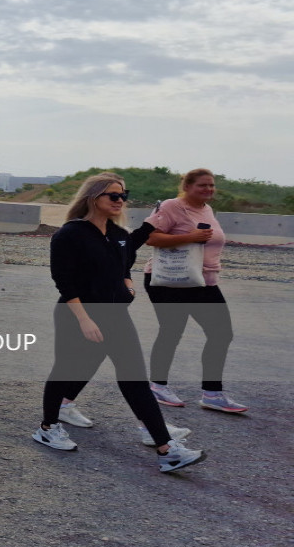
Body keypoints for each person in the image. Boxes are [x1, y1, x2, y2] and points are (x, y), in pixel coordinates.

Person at [35, 172, 205, 473]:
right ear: (93, 197)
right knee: (65, 370)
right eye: (113, 195)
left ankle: (167, 449)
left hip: (115, 315)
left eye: (123, 195)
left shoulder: (117, 235)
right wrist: (85, 320)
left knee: (135, 379)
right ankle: (48, 428)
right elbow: (64, 281)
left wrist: (127, 284)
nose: (120, 201)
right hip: (77, 314)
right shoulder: (70, 233)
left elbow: (126, 261)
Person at [143, 168, 247, 413]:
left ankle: (212, 394)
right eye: (203, 185)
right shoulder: (171, 206)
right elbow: (150, 238)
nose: (209, 189)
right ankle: (157, 386)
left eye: (211, 185)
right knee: (171, 332)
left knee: (221, 334)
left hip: (204, 282)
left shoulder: (207, 209)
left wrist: (194, 236)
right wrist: (191, 236)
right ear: (187, 186)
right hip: (170, 280)